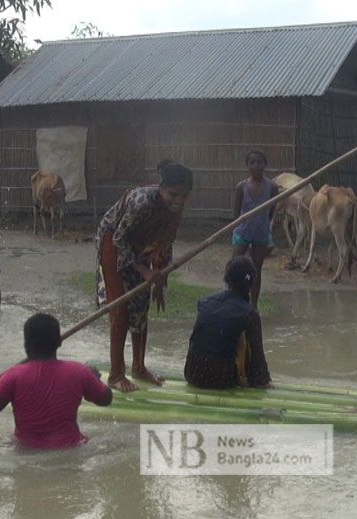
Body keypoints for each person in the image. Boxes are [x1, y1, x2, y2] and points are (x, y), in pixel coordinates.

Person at [96, 161, 193, 392]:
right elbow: (120, 238)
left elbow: (166, 242)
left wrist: (160, 279)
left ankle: (138, 367)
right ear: (162, 188)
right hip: (113, 241)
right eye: (173, 194)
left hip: (141, 247)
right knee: (121, 309)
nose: (178, 201)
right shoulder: (142, 202)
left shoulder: (175, 210)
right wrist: (145, 271)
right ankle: (116, 375)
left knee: (140, 306)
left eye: (184, 196)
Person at [0, 313, 113, 449]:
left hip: (26, 452)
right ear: (59, 342)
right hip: (71, 449)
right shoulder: (79, 371)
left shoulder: (13, 375)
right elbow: (106, 399)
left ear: (26, 345)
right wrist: (94, 377)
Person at [184, 256, 272, 389]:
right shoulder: (250, 314)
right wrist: (263, 381)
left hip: (192, 372)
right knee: (244, 340)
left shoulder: (204, 302)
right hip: (222, 379)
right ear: (251, 283)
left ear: (227, 280)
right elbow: (257, 354)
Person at [231, 149, 279, 308]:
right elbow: (236, 213)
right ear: (248, 166)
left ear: (265, 165)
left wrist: (263, 224)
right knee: (236, 266)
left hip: (261, 234)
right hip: (242, 232)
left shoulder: (271, 187)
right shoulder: (241, 187)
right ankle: (235, 299)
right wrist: (239, 226)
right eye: (252, 162)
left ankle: (254, 305)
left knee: (256, 269)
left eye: (259, 162)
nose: (256, 165)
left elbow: (271, 211)